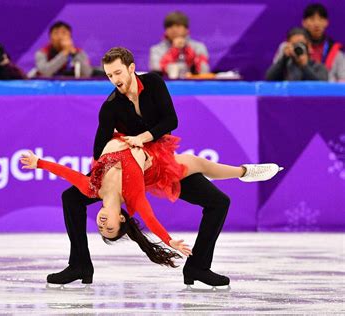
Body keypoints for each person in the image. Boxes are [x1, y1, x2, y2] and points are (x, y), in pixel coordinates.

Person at [38, 46, 278, 289]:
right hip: (125, 165)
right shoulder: (110, 106)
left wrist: (141, 139)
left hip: (157, 161)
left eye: (118, 73)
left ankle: (198, 266)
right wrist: (114, 158)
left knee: (218, 201)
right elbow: (98, 149)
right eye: (110, 75)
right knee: (71, 198)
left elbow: (171, 120)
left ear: (131, 68)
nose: (115, 80)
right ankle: (80, 264)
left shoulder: (153, 82)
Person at [21, 136, 282, 270]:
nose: (102, 225)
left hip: (130, 137)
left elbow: (68, 173)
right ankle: (245, 172)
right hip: (156, 168)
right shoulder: (132, 195)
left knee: (200, 167)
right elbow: (149, 218)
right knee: (198, 163)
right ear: (121, 218)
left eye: (101, 229)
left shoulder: (91, 189)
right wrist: (169, 241)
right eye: (109, 229)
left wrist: (38, 163)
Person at [271, 3, 344, 82]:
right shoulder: (287, 48)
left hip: (325, 93)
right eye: (312, 19)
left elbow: (343, 82)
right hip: (291, 92)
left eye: (321, 19)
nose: (316, 24)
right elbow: (271, 78)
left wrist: (305, 66)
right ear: (304, 22)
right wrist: (284, 58)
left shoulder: (336, 53)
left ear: (326, 22)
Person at [149, 11, 210, 78]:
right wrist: (174, 51)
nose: (174, 30)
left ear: (186, 30)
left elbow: (204, 70)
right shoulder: (156, 49)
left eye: (178, 26)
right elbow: (156, 70)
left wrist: (190, 55)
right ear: (165, 31)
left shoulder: (199, 47)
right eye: (170, 26)